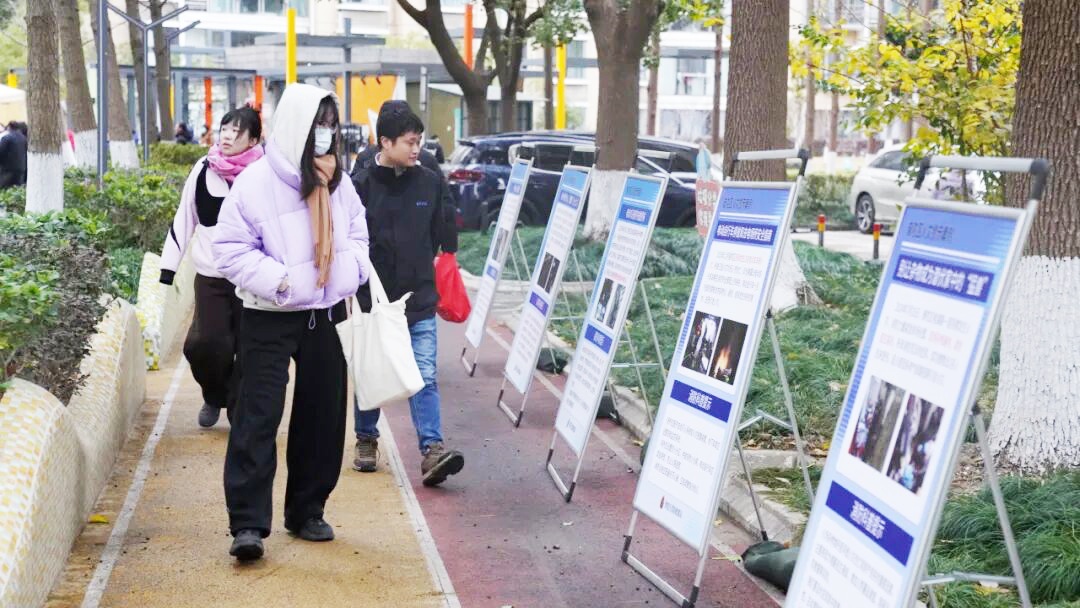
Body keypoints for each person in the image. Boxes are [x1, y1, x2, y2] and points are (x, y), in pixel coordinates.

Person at [213, 84, 370, 561]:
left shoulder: (338, 181)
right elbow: (229, 249)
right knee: (257, 415)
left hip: (327, 312)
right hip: (269, 313)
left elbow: (358, 233)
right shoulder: (255, 182)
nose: (326, 134)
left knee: (323, 415)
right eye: (319, 124)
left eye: (331, 125)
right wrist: (282, 282)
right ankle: (247, 523)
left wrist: (348, 271)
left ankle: (308, 510)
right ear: (296, 125)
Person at [350, 102, 463, 487]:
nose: (417, 149)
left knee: (424, 376)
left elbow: (438, 234)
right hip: (374, 300)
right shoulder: (361, 185)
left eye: (419, 142)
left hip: (419, 299)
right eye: (410, 142)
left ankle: (432, 449)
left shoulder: (429, 182)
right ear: (385, 142)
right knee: (372, 372)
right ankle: (366, 438)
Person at [159, 107, 264, 429]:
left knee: (249, 348)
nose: (227, 136)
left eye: (237, 131)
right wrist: (168, 267)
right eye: (224, 129)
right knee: (204, 344)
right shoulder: (203, 168)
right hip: (210, 277)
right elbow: (184, 217)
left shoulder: (264, 174)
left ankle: (237, 405)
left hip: (252, 278)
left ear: (254, 140)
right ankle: (215, 394)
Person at [0, 121, 27, 188]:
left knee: (4, 189)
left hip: (7, 170)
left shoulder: (6, 138)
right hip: (21, 169)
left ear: (9, 127)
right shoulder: (23, 138)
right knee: (16, 189)